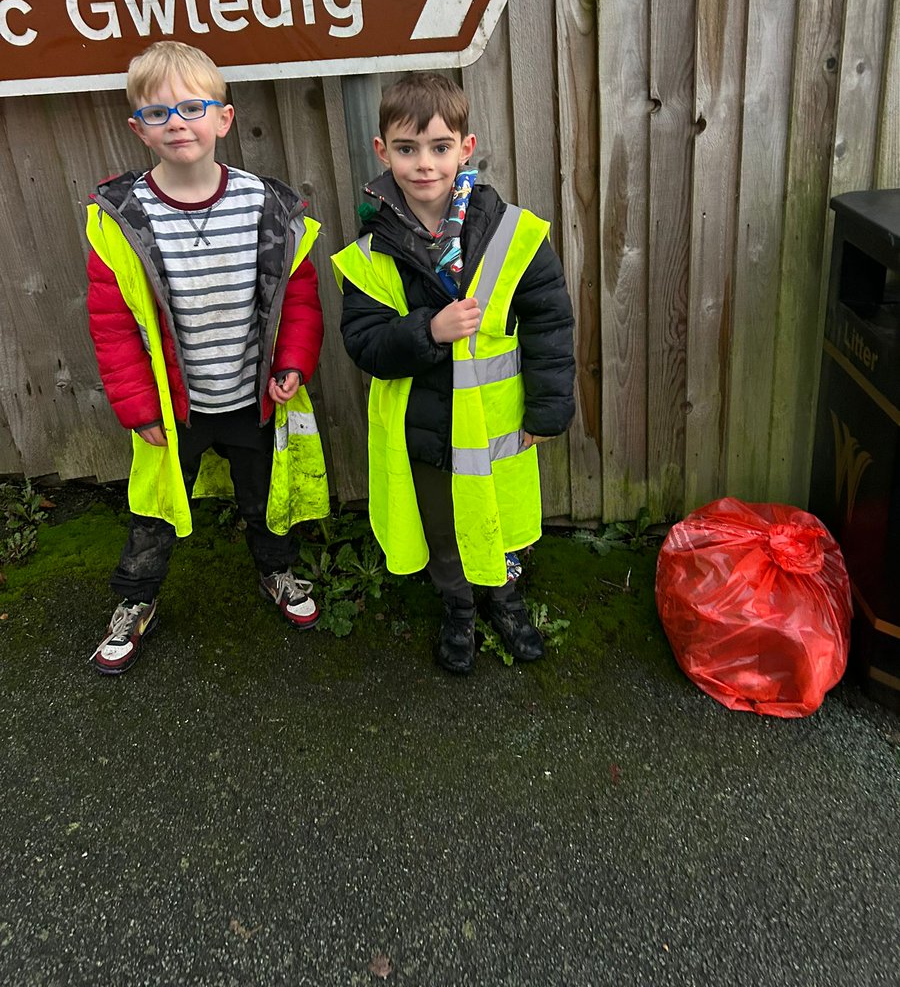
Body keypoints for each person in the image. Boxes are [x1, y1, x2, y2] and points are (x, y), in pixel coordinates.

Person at [86, 40, 330, 675]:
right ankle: (136, 601)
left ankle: (277, 573)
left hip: (253, 400)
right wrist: (138, 408)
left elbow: (298, 299)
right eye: (159, 112)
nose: (178, 123)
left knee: (266, 499)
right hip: (173, 411)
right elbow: (112, 327)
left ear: (223, 118)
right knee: (154, 511)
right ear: (138, 128)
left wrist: (292, 366)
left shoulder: (267, 207)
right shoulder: (122, 220)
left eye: (193, 108)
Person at [332, 72, 575, 675]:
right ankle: (459, 608)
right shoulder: (371, 252)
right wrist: (427, 332)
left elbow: (550, 327)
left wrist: (547, 411)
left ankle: (504, 598)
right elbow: (363, 343)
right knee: (443, 531)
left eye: (440, 147)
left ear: (465, 149)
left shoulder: (516, 233)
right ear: (382, 151)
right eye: (407, 149)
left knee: (501, 522)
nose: (424, 164)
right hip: (424, 436)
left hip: (500, 429)